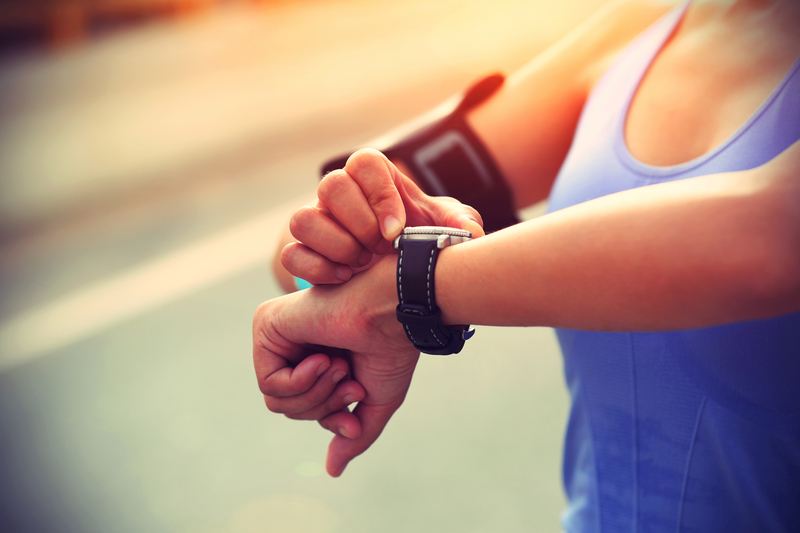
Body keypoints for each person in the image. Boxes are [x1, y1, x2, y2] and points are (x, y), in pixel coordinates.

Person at [254, 0, 800, 531]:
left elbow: (769, 239)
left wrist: (399, 292)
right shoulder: (641, 28)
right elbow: (299, 246)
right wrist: (347, 252)